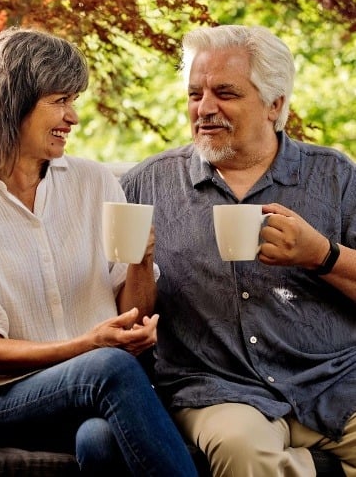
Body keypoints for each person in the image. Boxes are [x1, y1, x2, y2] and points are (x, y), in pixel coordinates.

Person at [0, 27, 198, 477]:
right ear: (11, 102)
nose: (74, 117)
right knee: (108, 366)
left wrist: (141, 261)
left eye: (74, 100)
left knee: (99, 440)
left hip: (95, 387)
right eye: (60, 100)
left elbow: (133, 311)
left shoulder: (94, 182)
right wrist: (91, 345)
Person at [121, 24, 356, 476]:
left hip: (335, 384)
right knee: (242, 450)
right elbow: (127, 323)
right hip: (217, 390)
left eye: (225, 93)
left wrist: (321, 255)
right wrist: (140, 264)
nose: (205, 109)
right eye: (195, 95)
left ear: (275, 105)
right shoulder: (147, 185)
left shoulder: (335, 178)